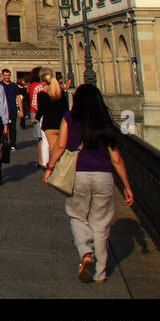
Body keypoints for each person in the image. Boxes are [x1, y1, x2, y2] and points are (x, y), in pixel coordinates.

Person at [45, 83, 135, 283]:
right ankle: (101, 274)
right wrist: (127, 186)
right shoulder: (104, 122)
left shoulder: (69, 118)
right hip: (104, 177)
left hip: (78, 176)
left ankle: (86, 252)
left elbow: (60, 146)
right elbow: (116, 158)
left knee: (77, 217)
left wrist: (50, 168)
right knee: (101, 225)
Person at [36, 67, 69, 169]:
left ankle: (48, 165)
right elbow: (66, 110)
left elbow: (41, 111)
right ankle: (62, 165)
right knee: (62, 146)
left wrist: (36, 118)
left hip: (49, 124)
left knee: (48, 145)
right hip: (62, 123)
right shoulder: (61, 93)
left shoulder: (42, 95)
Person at [0, 68, 22, 159]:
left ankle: (12, 143)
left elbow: (18, 97)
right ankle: (4, 142)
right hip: (2, 109)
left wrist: (21, 110)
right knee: (3, 126)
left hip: (12, 109)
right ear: (2, 75)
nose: (7, 77)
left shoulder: (14, 86)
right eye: (6, 75)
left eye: (8, 75)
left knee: (12, 127)